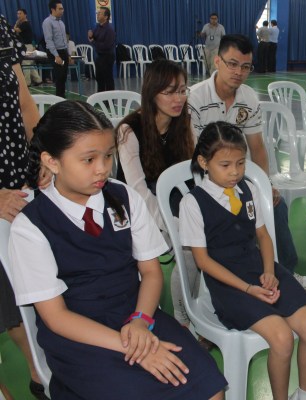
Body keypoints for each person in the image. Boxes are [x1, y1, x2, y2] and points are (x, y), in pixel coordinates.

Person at [8, 100, 227, 399]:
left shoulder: (124, 197)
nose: (102, 169)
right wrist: (131, 346)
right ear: (52, 161)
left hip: (136, 314)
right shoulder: (30, 226)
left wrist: (140, 322)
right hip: (79, 336)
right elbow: (56, 318)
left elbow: (151, 273)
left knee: (209, 386)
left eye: (108, 155)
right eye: (89, 159)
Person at [179, 121, 306, 400]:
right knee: (281, 338)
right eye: (225, 165)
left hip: (259, 268)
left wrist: (269, 272)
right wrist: (247, 288)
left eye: (241, 163)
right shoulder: (193, 203)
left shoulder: (248, 190)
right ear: (204, 163)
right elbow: (203, 262)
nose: (235, 172)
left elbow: (263, 236)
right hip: (227, 284)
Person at [187, 34, 306, 290]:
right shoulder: (196, 98)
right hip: (205, 178)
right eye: (232, 64)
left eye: (245, 67)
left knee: (276, 206)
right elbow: (191, 153)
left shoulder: (248, 98)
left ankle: (286, 271)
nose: (239, 72)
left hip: (237, 174)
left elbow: (257, 147)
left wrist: (265, 185)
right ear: (217, 61)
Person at [116, 59, 195, 326]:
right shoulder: (129, 130)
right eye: (170, 92)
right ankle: (183, 317)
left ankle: (199, 306)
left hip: (174, 198)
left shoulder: (184, 122)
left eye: (182, 91)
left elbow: (192, 174)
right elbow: (137, 190)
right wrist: (172, 225)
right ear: (151, 93)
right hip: (137, 206)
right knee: (189, 245)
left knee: (207, 232)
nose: (178, 99)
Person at [0, 14, 50, 400]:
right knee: (7, 292)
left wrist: (42, 157)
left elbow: (23, 101)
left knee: (35, 275)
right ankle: (34, 369)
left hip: (20, 180)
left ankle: (42, 366)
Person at [42, 0, 69, 98]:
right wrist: (56, 56)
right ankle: (59, 99)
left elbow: (65, 40)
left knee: (64, 76)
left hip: (63, 51)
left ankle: (62, 97)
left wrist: (68, 54)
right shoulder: (47, 22)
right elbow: (49, 40)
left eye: (62, 8)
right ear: (53, 9)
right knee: (59, 76)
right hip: (54, 52)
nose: (62, 10)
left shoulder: (61, 23)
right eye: (60, 9)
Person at [87, 6, 116, 92]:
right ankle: (100, 96)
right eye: (97, 13)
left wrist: (93, 41)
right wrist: (90, 35)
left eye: (100, 13)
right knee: (99, 78)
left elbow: (106, 46)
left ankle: (110, 98)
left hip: (107, 56)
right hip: (99, 56)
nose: (98, 15)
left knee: (107, 79)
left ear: (106, 17)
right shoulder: (98, 27)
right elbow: (94, 37)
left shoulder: (109, 29)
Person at [13, 8, 42, 87]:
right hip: (25, 46)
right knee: (29, 64)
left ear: (25, 15)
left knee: (26, 63)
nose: (18, 15)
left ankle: (27, 82)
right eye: (17, 14)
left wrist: (16, 23)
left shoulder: (25, 23)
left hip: (27, 46)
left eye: (20, 13)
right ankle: (38, 80)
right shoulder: (22, 24)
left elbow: (16, 30)